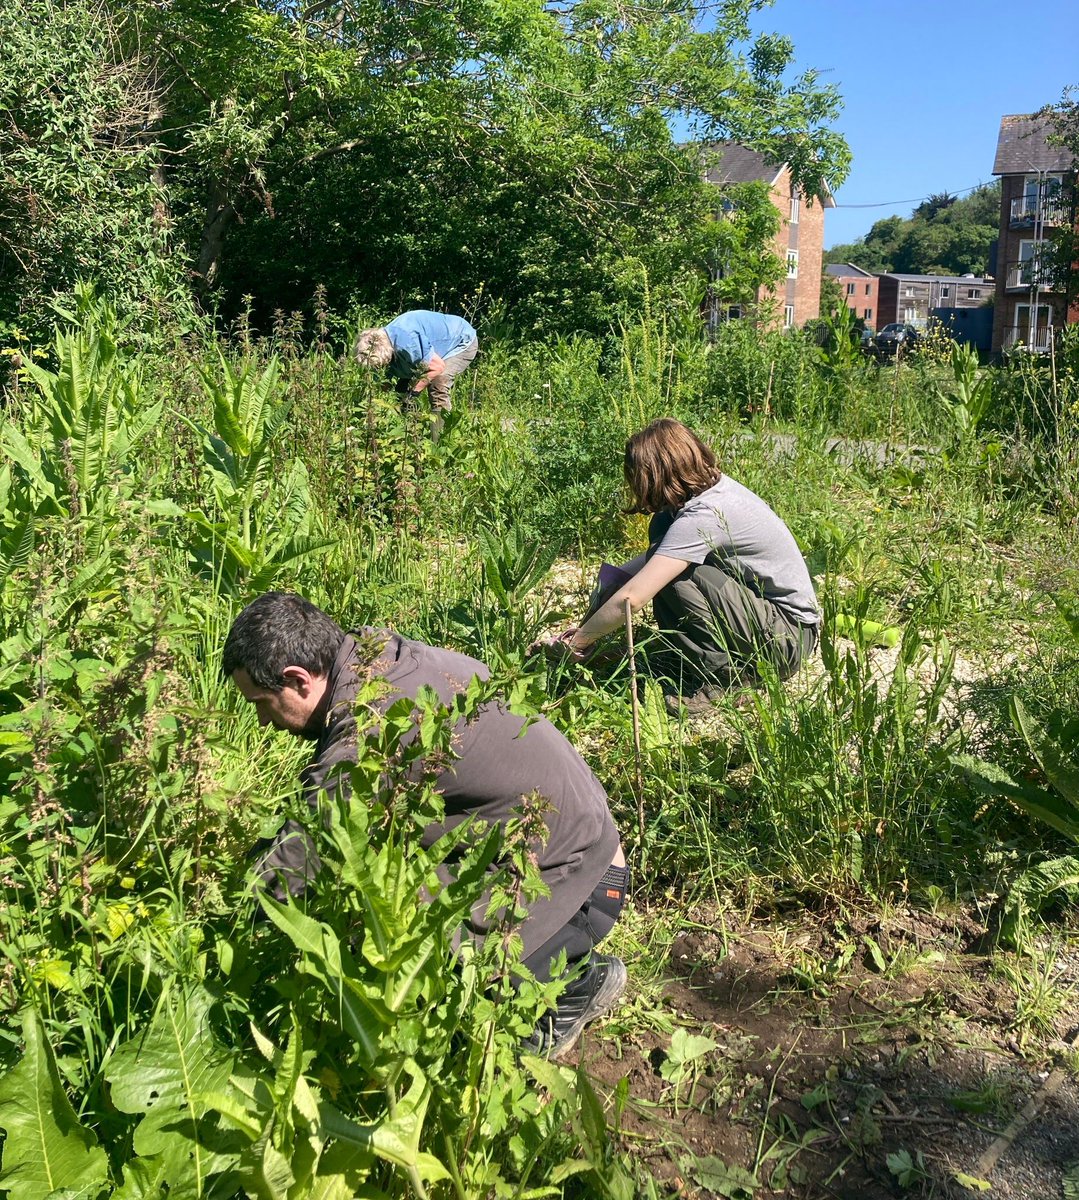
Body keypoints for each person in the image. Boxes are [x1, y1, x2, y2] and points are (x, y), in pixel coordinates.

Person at [222, 592, 628, 1059]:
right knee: (379, 886)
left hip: (586, 882)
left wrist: (228, 920)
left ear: (297, 679)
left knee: (391, 933)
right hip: (578, 841)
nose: (263, 721)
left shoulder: (371, 731)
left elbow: (302, 852)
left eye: (261, 702)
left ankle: (577, 977)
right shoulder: (377, 657)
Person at [543, 418, 820, 712]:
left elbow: (633, 597)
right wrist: (601, 600)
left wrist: (577, 643)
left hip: (786, 640)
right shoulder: (705, 494)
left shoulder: (706, 514)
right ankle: (690, 655)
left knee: (672, 576)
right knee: (662, 534)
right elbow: (638, 568)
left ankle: (725, 678)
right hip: (766, 620)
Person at [354, 310, 479, 435]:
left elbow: (437, 367)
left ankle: (441, 438)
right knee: (401, 389)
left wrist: (413, 392)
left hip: (460, 340)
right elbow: (383, 384)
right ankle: (411, 433)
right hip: (426, 350)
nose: (380, 367)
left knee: (438, 383)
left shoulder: (408, 343)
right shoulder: (383, 343)